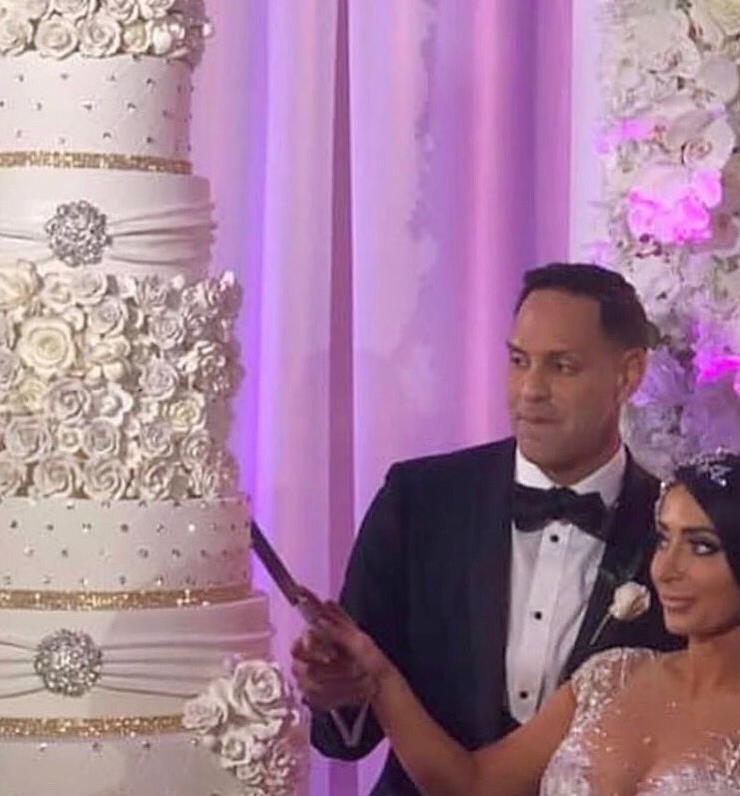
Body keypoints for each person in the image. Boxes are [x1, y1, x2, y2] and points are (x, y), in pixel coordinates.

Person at [294, 263, 680, 795]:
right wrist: (335, 691)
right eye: (519, 361)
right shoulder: (419, 500)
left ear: (628, 375)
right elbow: (346, 729)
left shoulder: (675, 530)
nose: (531, 390)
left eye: (562, 367)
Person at [300, 451, 740, 795]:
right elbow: (473, 785)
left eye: (702, 547)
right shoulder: (610, 677)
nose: (666, 569)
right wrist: (377, 674)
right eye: (663, 539)